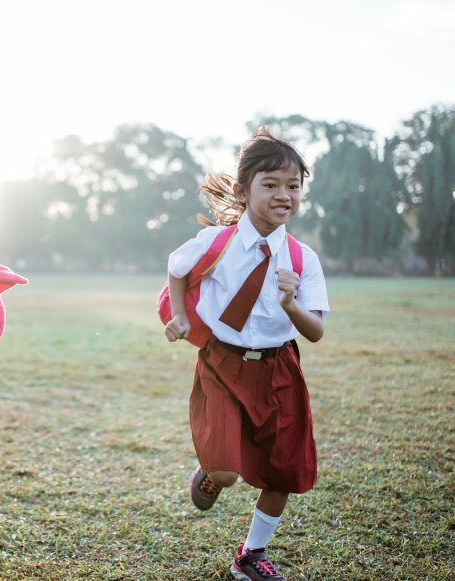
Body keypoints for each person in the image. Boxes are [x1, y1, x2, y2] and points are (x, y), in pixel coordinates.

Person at [164, 128, 329, 581]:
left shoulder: (301, 258)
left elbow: (315, 332)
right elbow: (176, 270)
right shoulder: (216, 243)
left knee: (284, 473)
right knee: (227, 470)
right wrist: (179, 316)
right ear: (243, 190)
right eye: (271, 184)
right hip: (222, 363)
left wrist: (292, 304)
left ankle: (251, 555)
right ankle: (211, 471)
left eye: (293, 187)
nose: (284, 195)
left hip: (279, 368)